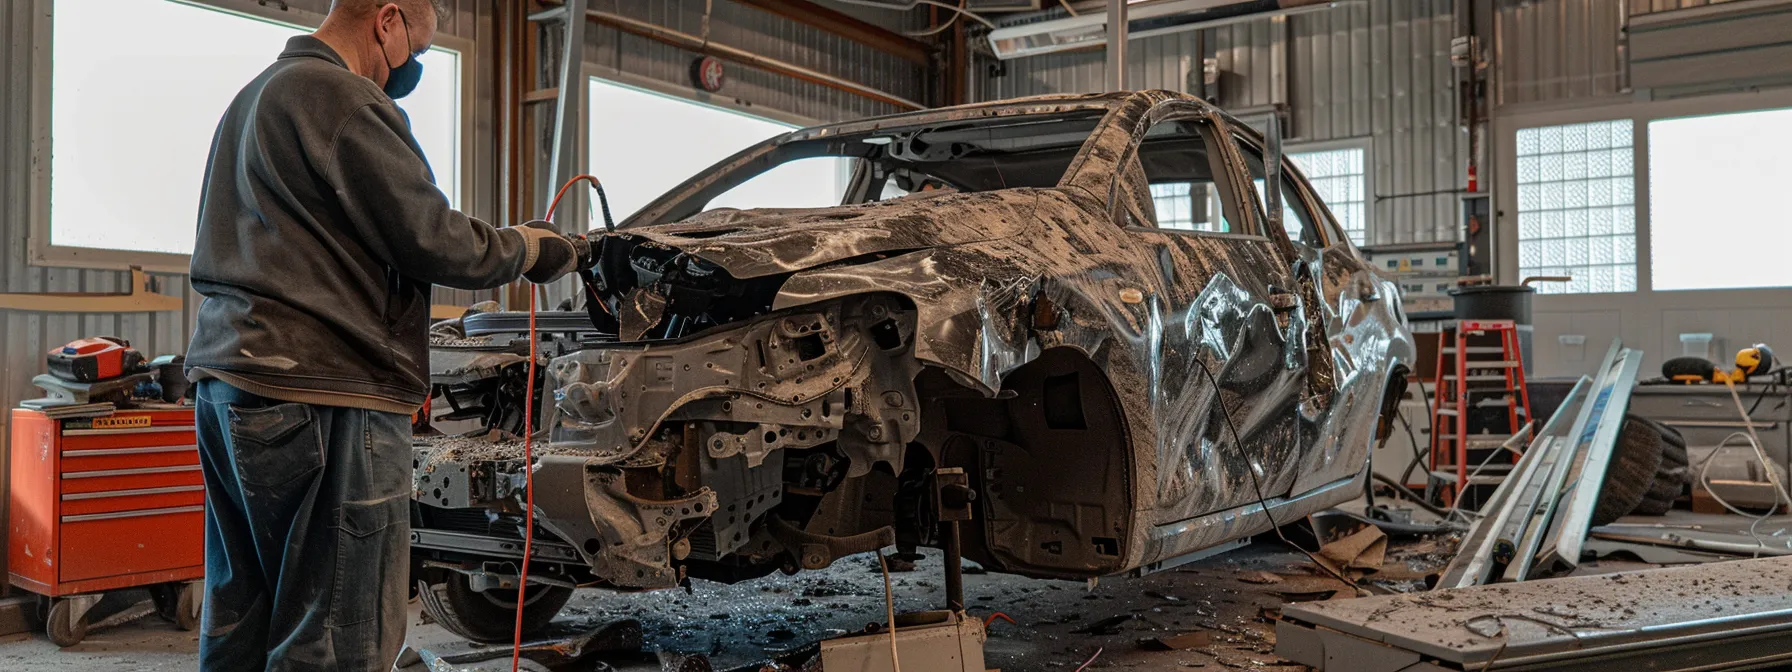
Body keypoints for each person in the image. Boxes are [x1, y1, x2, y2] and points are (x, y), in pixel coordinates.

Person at [184, 1, 587, 669]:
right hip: (326, 393)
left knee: (243, 618)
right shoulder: (341, 97)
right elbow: (433, 239)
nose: (411, 68)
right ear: (388, 20)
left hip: (232, 386)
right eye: (418, 50)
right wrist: (529, 248)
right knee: (339, 630)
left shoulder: (254, 99)